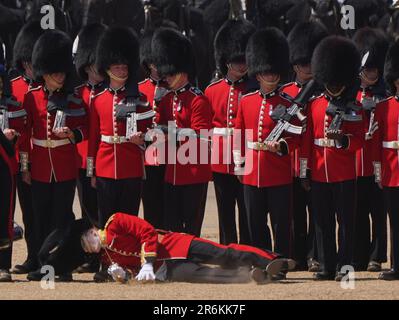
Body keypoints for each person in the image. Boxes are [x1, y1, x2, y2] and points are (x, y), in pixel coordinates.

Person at [34, 212, 296, 284]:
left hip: (175, 244)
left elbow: (146, 230)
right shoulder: (107, 257)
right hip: (167, 269)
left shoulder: (116, 221)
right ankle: (247, 277)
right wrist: (123, 276)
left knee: (223, 253)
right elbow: (128, 269)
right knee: (206, 276)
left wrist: (146, 261)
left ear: (92, 231)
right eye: (86, 249)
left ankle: (270, 260)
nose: (90, 248)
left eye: (86, 241)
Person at [20, 30, 89, 281]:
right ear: (45, 72)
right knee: (41, 218)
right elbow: (26, 136)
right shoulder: (31, 97)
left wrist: (72, 134)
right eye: (55, 72)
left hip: (64, 166)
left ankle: (62, 266)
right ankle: (42, 264)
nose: (60, 76)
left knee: (62, 219)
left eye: (62, 72)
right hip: (39, 166)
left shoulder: (73, 98)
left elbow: (85, 128)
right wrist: (25, 167)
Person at [233, 28, 297, 280]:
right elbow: (238, 135)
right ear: (258, 73)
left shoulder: (288, 103)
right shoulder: (247, 101)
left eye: (273, 71)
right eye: (266, 71)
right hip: (252, 172)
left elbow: (297, 137)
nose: (270, 75)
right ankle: (261, 262)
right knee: (255, 223)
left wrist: (282, 147)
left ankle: (280, 265)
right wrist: (239, 166)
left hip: (277, 172)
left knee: (281, 224)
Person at [300, 36, 365, 281]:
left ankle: (345, 266)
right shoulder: (315, 104)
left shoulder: (354, 106)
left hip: (344, 172)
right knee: (322, 222)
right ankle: (327, 265)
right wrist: (305, 170)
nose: (334, 87)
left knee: (346, 223)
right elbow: (307, 140)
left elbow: (358, 140)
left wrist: (343, 141)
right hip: (319, 171)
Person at [87, 26, 153, 229]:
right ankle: (107, 261)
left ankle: (129, 261)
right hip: (105, 166)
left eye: (125, 67)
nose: (122, 71)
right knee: (106, 220)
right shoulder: (98, 99)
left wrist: (142, 140)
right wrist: (92, 171)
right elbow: (93, 138)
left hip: (131, 165)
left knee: (129, 220)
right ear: (107, 68)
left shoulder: (140, 98)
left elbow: (150, 131)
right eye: (117, 67)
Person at [151, 27, 213, 237]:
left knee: (191, 225)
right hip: (173, 172)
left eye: (170, 73)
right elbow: (156, 127)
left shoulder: (198, 99)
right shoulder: (168, 99)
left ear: (182, 71)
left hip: (194, 171)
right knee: (172, 224)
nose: (166, 77)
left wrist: (169, 133)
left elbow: (200, 135)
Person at [281, 21, 328, 272]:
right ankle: (297, 254)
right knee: (295, 212)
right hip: (291, 160)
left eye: (311, 63)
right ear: (295, 66)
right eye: (302, 64)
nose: (307, 69)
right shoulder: (286, 91)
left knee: (318, 214)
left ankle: (315, 254)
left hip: (316, 159)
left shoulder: (324, 93)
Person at [205, 18, 255, 245]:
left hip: (245, 152)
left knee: (246, 208)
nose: (242, 65)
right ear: (226, 62)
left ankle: (245, 247)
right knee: (225, 209)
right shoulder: (212, 90)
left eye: (244, 61)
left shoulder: (253, 89)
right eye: (236, 61)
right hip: (219, 155)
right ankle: (227, 249)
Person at [351, 27, 389, 272]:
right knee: (357, 212)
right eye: (368, 69)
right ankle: (359, 254)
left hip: (378, 162)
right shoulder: (351, 94)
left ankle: (377, 255)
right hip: (355, 162)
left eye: (375, 69)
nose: (372, 73)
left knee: (378, 211)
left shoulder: (385, 95)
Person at [9, 20, 43, 275]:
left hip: (46, 156)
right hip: (22, 159)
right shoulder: (13, 87)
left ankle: (49, 258)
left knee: (49, 212)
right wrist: (23, 164)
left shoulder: (48, 86)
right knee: (29, 212)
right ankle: (33, 256)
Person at [74, 23, 107, 229]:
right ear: (87, 67)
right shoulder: (78, 94)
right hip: (82, 159)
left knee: (105, 210)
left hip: (103, 160)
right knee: (87, 210)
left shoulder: (109, 94)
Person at [373, 39, 399, 280]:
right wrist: (380, 175)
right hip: (392, 172)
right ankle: (397, 265)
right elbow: (376, 145)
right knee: (395, 223)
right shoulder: (384, 107)